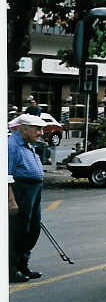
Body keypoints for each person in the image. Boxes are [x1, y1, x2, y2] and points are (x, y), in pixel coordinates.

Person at [7, 114, 47, 282]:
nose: (41, 132)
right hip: (21, 190)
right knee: (18, 232)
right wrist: (11, 200)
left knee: (32, 230)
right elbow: (5, 175)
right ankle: (11, 269)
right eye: (37, 129)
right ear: (24, 129)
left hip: (34, 191)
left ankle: (23, 265)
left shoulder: (28, 144)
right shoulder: (11, 145)